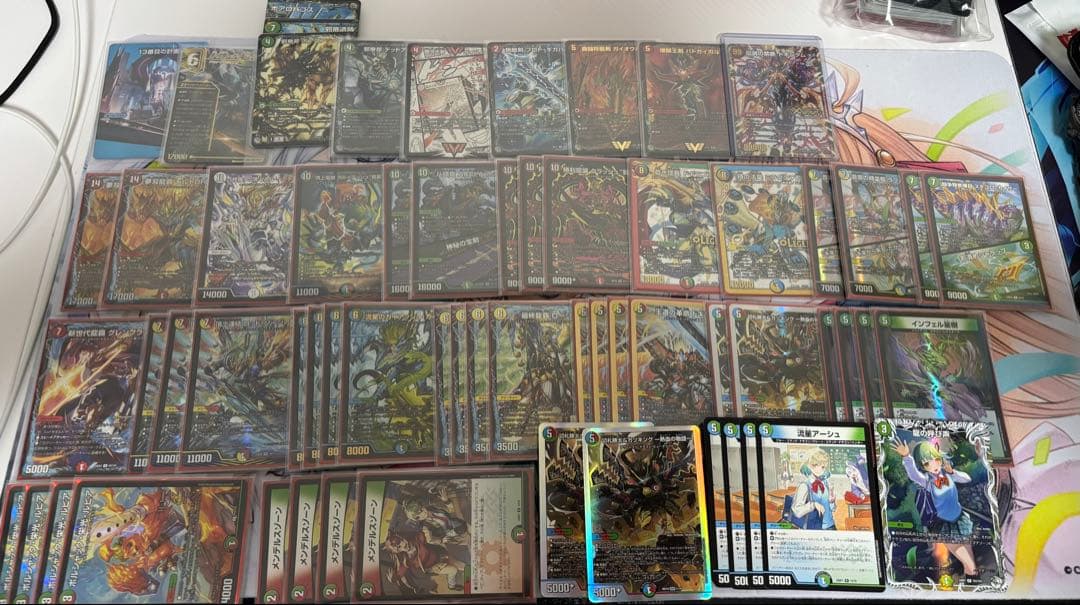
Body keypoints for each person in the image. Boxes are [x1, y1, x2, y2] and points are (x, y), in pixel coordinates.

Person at [892, 438, 978, 577]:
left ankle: (970, 582)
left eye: (936, 459)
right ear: (923, 466)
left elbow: (967, 478)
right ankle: (971, 580)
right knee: (970, 565)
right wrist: (906, 457)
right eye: (927, 463)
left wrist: (952, 472)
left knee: (970, 561)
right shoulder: (927, 481)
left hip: (960, 519)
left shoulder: (947, 474)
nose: (934, 465)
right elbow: (913, 475)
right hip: (945, 525)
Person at [790, 448, 836, 530]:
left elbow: (832, 509)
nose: (820, 469)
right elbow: (796, 511)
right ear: (809, 465)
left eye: (823, 466)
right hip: (814, 527)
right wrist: (813, 505)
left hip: (830, 525)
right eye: (815, 465)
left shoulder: (825, 483)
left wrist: (831, 502)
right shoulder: (804, 485)